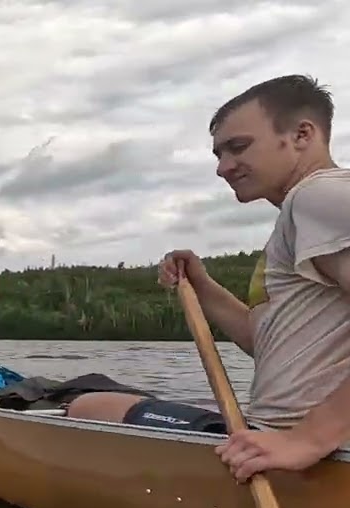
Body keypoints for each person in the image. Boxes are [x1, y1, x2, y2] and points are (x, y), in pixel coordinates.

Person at [66, 74, 350, 482]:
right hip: (280, 439)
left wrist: (310, 439)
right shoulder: (306, 215)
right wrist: (202, 286)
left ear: (302, 135)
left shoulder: (317, 197)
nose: (223, 167)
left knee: (89, 408)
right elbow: (266, 342)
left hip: (306, 450)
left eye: (239, 147)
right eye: (219, 154)